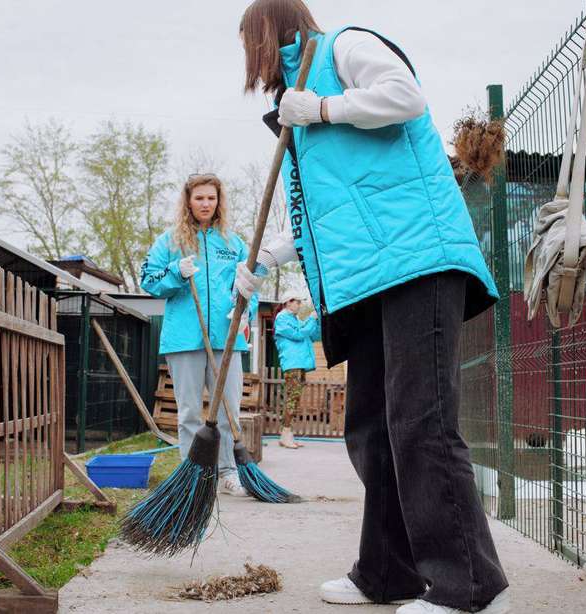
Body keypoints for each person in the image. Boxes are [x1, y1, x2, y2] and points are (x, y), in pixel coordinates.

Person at [234, 1, 510, 612]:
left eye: (247, 41)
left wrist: (326, 108)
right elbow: (321, 216)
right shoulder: (295, 104)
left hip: (417, 260)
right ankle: (387, 572)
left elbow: (404, 96)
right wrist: (264, 262)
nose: (247, 58)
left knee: (421, 421)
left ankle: (471, 587)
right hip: (365, 280)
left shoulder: (341, 48)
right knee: (370, 428)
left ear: (267, 30)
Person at [140, 173, 258, 498]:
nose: (206, 203)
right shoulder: (170, 241)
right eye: (199, 198)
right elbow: (148, 281)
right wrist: (177, 272)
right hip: (184, 339)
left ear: (219, 201)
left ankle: (227, 473)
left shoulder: (233, 243)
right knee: (190, 411)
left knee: (227, 411)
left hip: (227, 338)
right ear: (188, 201)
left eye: (211, 198)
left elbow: (251, 280)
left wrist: (244, 307)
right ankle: (191, 477)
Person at [273, 290, 320, 448]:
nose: (299, 305)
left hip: (298, 363)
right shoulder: (282, 319)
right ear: (288, 302)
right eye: (297, 301)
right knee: (292, 399)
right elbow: (299, 334)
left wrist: (315, 320)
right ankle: (285, 435)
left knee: (295, 399)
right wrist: (312, 319)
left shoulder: (294, 319)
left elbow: (310, 334)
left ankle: (287, 435)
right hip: (292, 363)